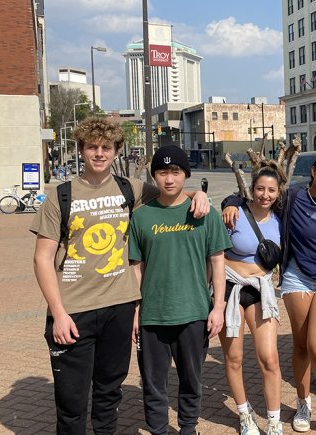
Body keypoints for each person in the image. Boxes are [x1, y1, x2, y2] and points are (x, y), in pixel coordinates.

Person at [30, 117, 209, 434]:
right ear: (82, 150)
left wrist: (200, 195)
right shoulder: (61, 196)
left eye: (106, 148)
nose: (99, 153)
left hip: (120, 307)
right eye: (92, 147)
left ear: (116, 152)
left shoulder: (132, 189)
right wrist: (57, 313)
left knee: (108, 394)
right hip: (73, 311)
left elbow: (173, 192)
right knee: (71, 402)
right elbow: (42, 258)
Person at [223, 154, 316, 435]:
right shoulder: (292, 197)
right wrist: (230, 203)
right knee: (302, 345)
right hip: (297, 277)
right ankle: (303, 403)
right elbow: (256, 198)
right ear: (314, 171)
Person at [129, 146, 229, 435]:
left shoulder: (205, 213)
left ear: (186, 174)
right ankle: (159, 430)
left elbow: (218, 262)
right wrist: (136, 309)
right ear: (154, 176)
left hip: (194, 311)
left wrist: (218, 307)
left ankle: (188, 428)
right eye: (162, 172)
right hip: (152, 316)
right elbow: (138, 267)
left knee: (191, 380)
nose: (169, 179)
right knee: (153, 383)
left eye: (175, 172)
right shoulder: (142, 216)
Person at [218, 162, 285, 435]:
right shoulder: (234, 213)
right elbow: (216, 253)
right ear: (251, 189)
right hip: (231, 289)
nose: (265, 195)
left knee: (269, 358)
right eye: (260, 189)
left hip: (261, 289)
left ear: (279, 192)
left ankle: (273, 420)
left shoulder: (282, 219)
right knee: (233, 358)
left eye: (271, 190)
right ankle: (245, 415)